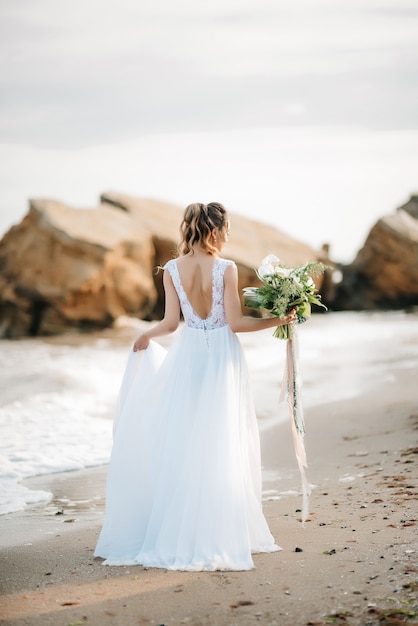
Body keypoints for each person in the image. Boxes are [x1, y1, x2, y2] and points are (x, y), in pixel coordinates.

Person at [94, 202, 297, 571]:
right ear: (215, 231)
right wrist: (277, 319)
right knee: (220, 439)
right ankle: (217, 527)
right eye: (227, 229)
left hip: (188, 357)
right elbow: (234, 323)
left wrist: (145, 335)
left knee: (187, 440)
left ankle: (181, 525)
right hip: (222, 357)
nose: (228, 235)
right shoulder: (227, 269)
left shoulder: (171, 269)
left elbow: (171, 323)